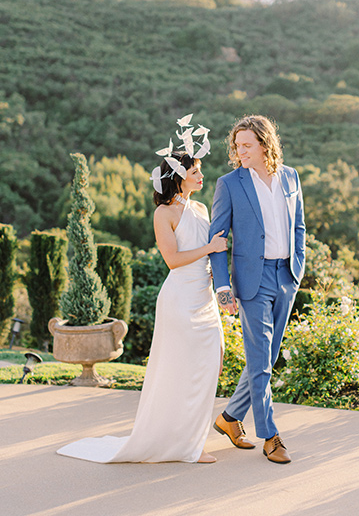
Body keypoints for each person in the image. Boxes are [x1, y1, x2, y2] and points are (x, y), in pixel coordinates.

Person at [57, 117, 227, 464]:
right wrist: (211, 248)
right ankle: (185, 444)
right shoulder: (163, 213)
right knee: (181, 368)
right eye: (196, 171)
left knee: (211, 361)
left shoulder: (200, 207)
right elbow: (173, 259)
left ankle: (191, 436)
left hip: (205, 299)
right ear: (179, 175)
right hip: (180, 299)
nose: (201, 176)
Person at [209, 114, 305, 464]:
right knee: (261, 362)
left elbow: (300, 228)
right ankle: (271, 436)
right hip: (252, 279)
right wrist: (223, 287)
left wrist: (298, 268)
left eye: (246, 145)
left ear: (266, 144)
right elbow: (217, 239)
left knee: (267, 358)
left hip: (286, 275)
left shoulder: (291, 177)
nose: (239, 152)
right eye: (236, 146)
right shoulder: (229, 184)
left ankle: (229, 418)